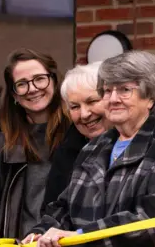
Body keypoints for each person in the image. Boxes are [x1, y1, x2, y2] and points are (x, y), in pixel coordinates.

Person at [24, 51, 155, 247]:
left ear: (151, 97)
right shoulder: (94, 147)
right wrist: (40, 233)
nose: (113, 99)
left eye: (124, 90)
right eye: (107, 91)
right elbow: (64, 207)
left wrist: (80, 236)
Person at [0, 48, 74, 239]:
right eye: (22, 84)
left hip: (66, 240)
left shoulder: (77, 133)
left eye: (39, 78)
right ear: (14, 95)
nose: (32, 89)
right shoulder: (5, 146)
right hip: (23, 241)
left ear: (54, 81)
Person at [42, 61, 111, 213]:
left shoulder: (141, 144)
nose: (84, 114)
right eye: (75, 107)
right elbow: (52, 210)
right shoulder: (66, 152)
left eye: (92, 101)